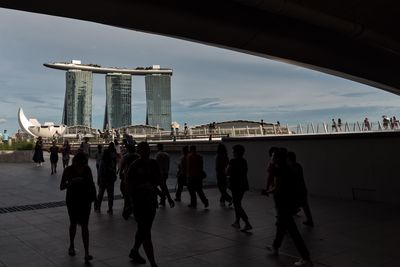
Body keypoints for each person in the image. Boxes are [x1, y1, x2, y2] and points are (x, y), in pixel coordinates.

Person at [125, 142, 174, 267]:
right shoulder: (135, 166)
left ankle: (134, 251)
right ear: (139, 151)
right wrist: (130, 203)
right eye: (143, 149)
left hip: (151, 202)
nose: (146, 151)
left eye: (147, 149)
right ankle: (153, 263)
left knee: (143, 229)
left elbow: (160, 182)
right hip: (139, 204)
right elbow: (129, 186)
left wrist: (168, 197)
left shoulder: (153, 164)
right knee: (146, 232)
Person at [268, 148, 312, 267]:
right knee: (281, 227)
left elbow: (275, 179)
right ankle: (275, 247)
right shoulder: (286, 170)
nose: (271, 158)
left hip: (283, 205)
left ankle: (305, 257)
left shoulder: (282, 171)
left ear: (278, 158)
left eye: (273, 156)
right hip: (285, 205)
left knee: (293, 232)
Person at [60, 152, 97, 263]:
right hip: (73, 200)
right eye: (78, 164)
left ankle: (86, 252)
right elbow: (62, 186)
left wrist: (94, 198)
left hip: (85, 201)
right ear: (74, 162)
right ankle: (71, 245)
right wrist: (71, 182)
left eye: (82, 164)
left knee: (85, 226)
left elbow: (91, 184)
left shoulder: (87, 170)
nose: (80, 166)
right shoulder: (68, 170)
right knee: (73, 223)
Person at [226, 144, 252, 232]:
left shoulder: (233, 161)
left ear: (236, 152)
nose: (232, 152)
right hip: (243, 185)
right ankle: (237, 222)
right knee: (238, 203)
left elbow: (227, 172)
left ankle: (247, 223)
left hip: (235, 185)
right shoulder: (244, 161)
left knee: (237, 205)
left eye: (233, 151)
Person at [287, 151, 314, 227]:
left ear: (288, 158)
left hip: (297, 190)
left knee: (292, 205)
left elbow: (292, 180)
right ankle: (310, 220)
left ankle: (289, 222)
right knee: (305, 205)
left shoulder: (291, 167)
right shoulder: (298, 165)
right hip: (302, 189)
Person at [94, 142, 117, 214]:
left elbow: (100, 172)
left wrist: (98, 179)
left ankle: (98, 207)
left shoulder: (102, 161)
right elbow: (113, 170)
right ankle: (110, 209)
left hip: (103, 180)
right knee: (110, 195)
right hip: (110, 180)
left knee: (100, 194)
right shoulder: (111, 161)